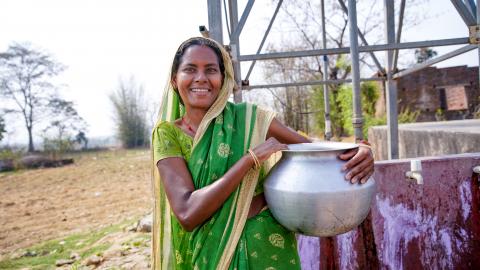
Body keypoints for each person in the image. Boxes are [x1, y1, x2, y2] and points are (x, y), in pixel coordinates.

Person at [151, 37, 374, 270]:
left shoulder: (250, 119)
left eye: (211, 70)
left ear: (223, 79)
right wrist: (249, 160)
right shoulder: (167, 134)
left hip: (266, 247)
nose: (201, 78)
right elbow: (188, 214)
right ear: (175, 80)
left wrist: (363, 150)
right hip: (209, 255)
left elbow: (315, 150)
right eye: (190, 69)